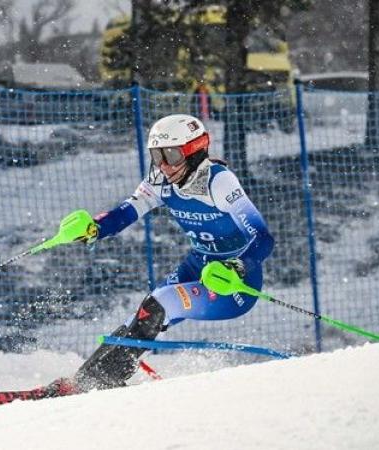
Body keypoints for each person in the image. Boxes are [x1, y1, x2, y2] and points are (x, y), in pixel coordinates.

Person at [47, 114, 274, 394]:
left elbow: (262, 238)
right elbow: (129, 210)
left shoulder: (219, 182)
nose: (164, 165)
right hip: (197, 264)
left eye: (171, 154)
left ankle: (99, 382)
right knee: (144, 313)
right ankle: (83, 381)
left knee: (161, 302)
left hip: (232, 284)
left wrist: (237, 266)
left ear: (194, 151)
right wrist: (96, 228)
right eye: (157, 155)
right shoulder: (160, 178)